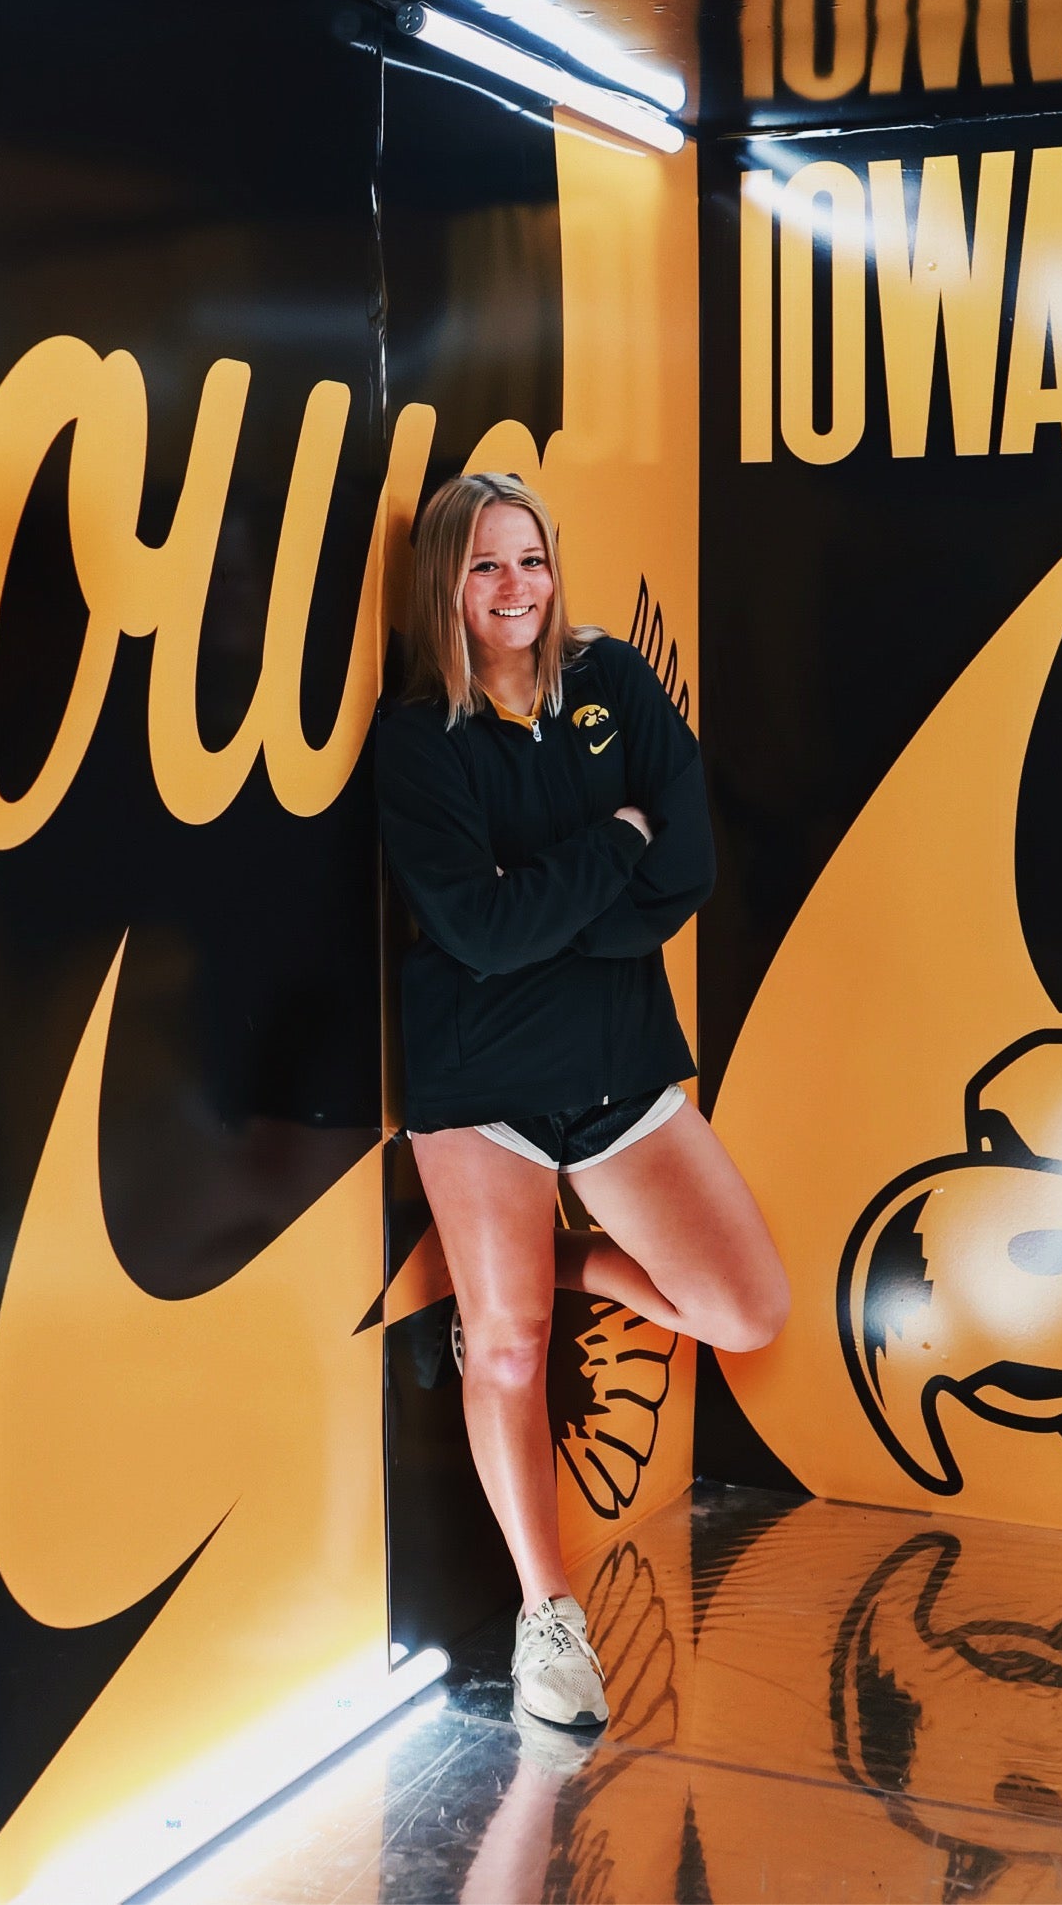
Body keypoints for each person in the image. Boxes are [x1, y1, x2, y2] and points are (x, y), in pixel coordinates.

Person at [374, 471, 790, 1732]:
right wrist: (612, 843)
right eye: (486, 565)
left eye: (532, 558)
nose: (517, 587)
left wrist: (549, 907)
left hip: (614, 1058)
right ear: (445, 584)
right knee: (508, 1348)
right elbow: (480, 931)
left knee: (745, 1309)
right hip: (481, 1078)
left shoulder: (612, 680)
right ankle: (548, 1616)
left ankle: (534, 1271)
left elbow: (687, 869)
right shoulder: (418, 736)